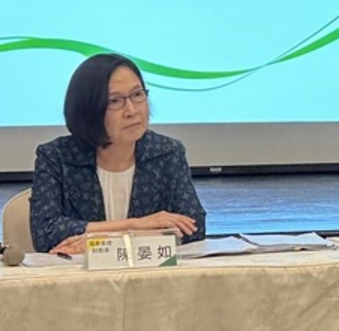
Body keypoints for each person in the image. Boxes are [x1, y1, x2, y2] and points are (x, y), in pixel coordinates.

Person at [30, 53, 207, 253]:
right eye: (115, 101)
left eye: (137, 95)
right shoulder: (56, 157)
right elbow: (45, 233)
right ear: (87, 110)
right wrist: (136, 225)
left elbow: (194, 227)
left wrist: (109, 239)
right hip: (77, 272)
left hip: (146, 272)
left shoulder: (167, 153)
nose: (132, 111)